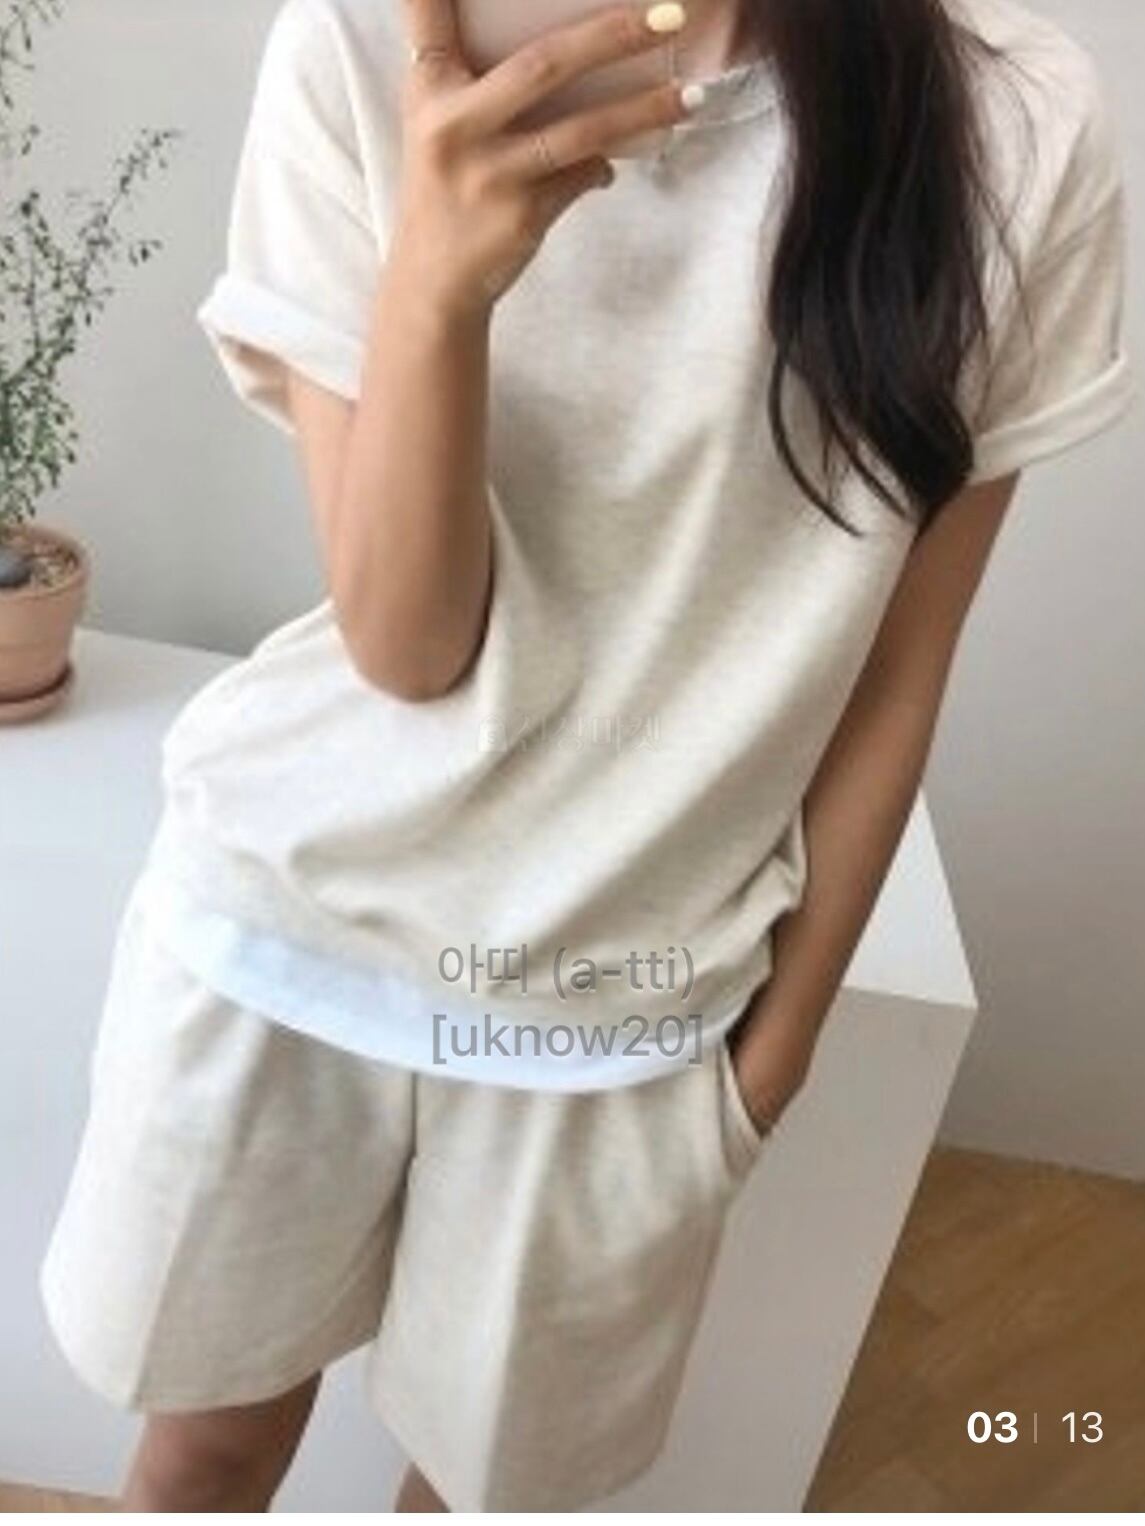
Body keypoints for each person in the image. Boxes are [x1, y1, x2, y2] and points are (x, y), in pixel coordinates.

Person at [39, 0, 1134, 1511]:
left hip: (622, 1020)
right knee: (204, 1454)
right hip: (281, 948)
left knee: (477, 1493)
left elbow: (898, 670)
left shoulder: (1014, 120)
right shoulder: (357, 46)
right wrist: (437, 286)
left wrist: (771, 1061)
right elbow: (411, 646)